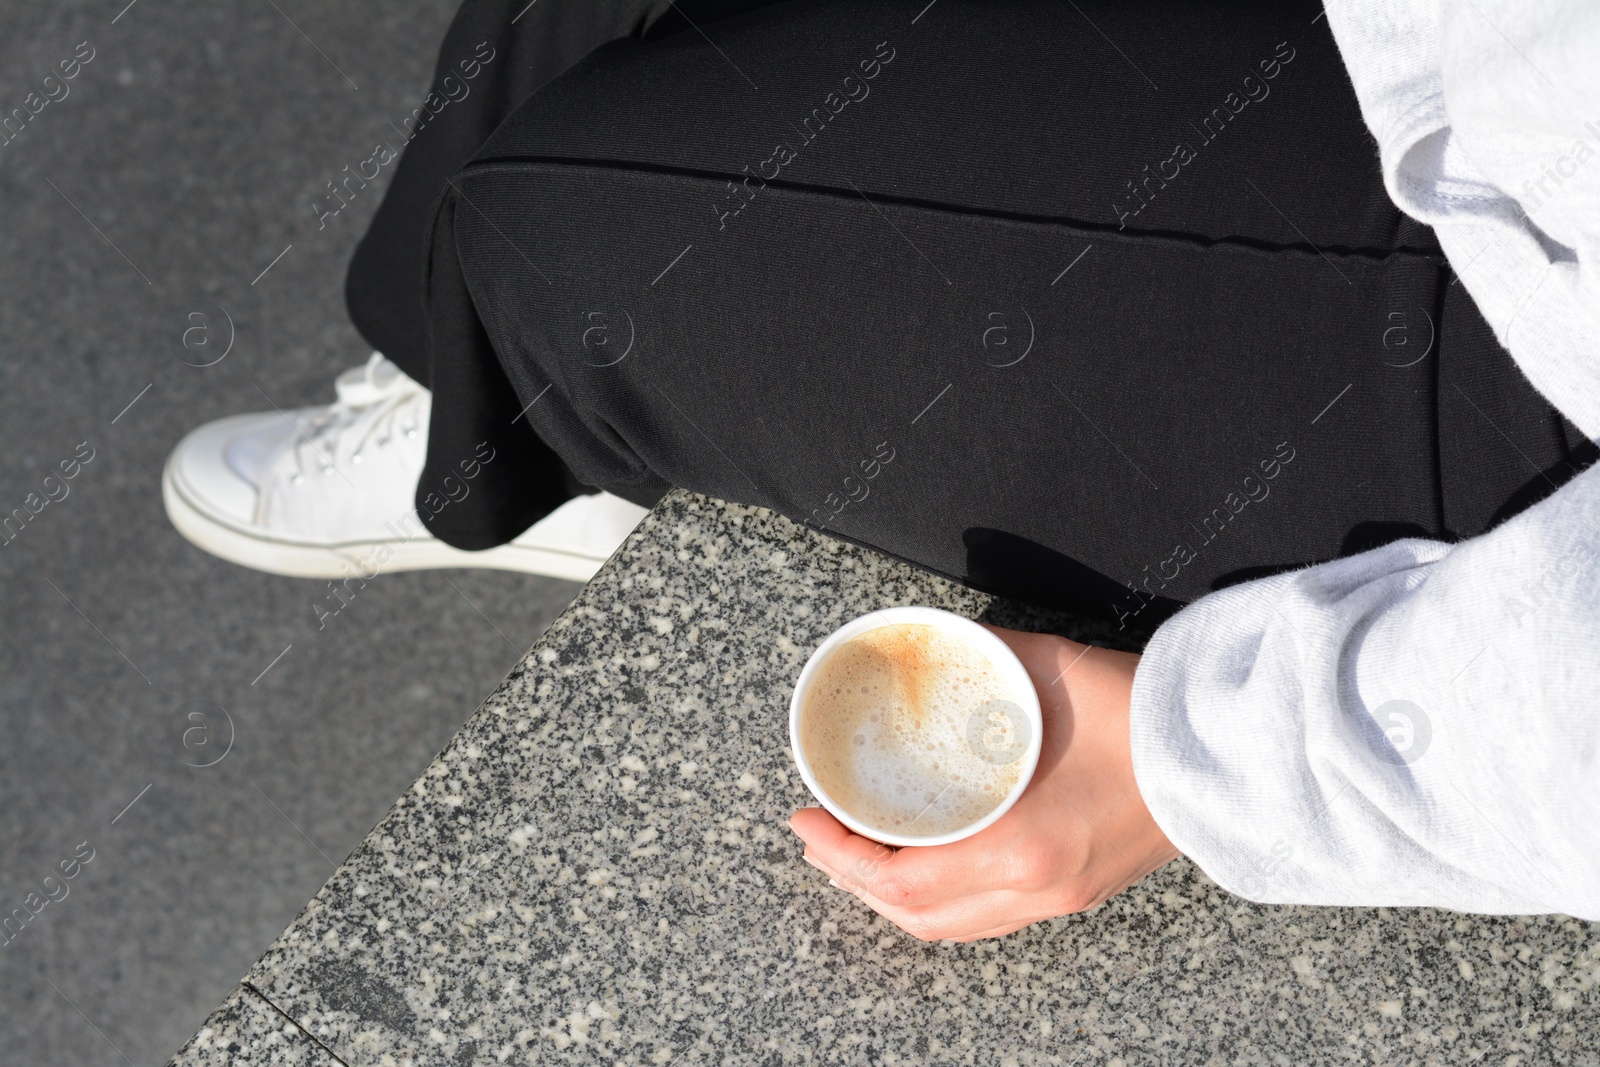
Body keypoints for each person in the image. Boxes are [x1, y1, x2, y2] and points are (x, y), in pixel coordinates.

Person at [163, 0, 1600, 938]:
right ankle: (461, 393)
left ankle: (502, 432)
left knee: (548, 235)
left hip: (1530, 328)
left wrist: (1212, 759)